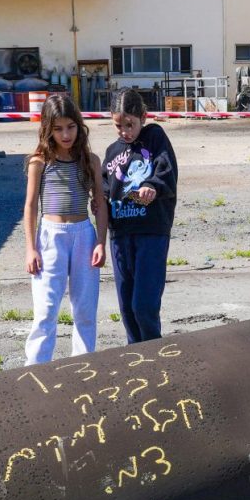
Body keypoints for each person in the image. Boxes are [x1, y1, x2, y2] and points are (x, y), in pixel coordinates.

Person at [23, 94, 109, 365]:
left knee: (85, 310)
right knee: (46, 310)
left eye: (71, 127)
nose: (66, 135)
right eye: (58, 129)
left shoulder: (91, 161)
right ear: (47, 129)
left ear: (79, 125)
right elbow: (30, 206)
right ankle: (35, 368)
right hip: (51, 237)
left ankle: (82, 368)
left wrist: (101, 242)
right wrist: (30, 248)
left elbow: (100, 204)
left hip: (84, 235)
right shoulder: (40, 162)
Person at [102, 88, 179, 344]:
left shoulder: (154, 137)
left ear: (143, 117)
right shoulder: (112, 152)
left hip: (151, 232)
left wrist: (152, 186)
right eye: (119, 125)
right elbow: (104, 185)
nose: (125, 131)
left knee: (144, 305)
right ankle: (134, 353)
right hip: (120, 235)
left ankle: (154, 351)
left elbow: (166, 169)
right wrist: (98, 200)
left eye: (130, 124)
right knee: (127, 308)